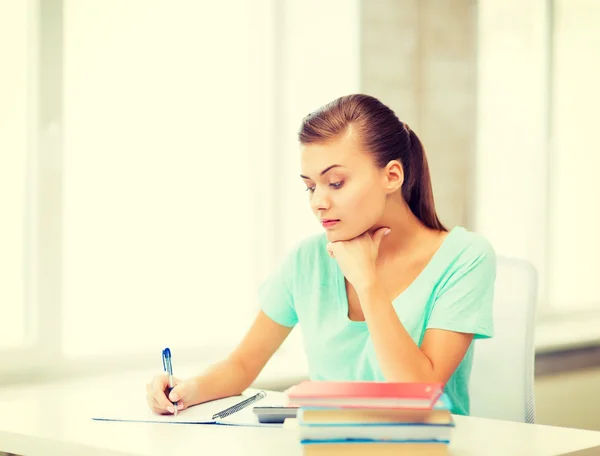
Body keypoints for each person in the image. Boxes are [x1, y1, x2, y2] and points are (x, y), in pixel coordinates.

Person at [145, 94, 496, 416]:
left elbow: (418, 395)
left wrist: (367, 282)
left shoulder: (464, 258)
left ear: (392, 176)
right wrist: (186, 391)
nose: (318, 202)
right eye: (310, 186)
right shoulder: (307, 260)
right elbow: (242, 365)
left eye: (336, 183)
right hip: (329, 444)